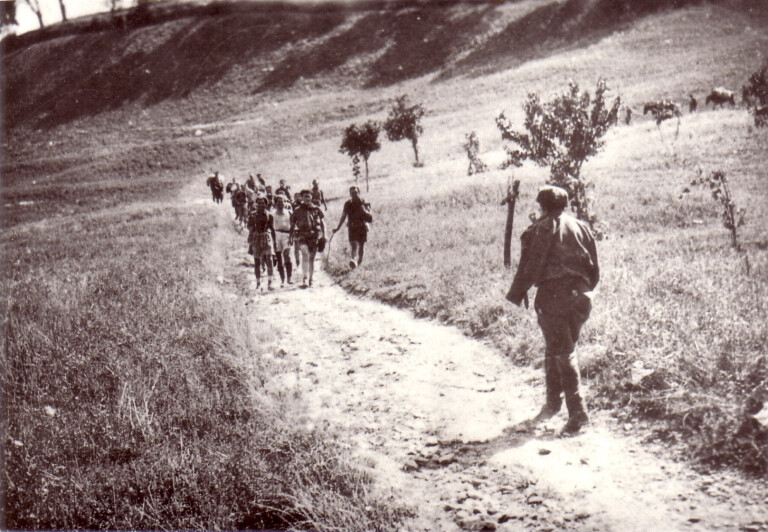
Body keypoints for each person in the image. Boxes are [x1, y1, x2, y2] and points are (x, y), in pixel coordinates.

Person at [505, 185, 599, 435]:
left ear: (543, 206)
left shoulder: (540, 229)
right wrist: (584, 291)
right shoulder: (581, 226)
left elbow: (529, 267)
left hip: (553, 299)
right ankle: (553, 402)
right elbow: (594, 268)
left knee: (563, 351)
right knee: (558, 347)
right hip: (582, 297)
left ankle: (578, 415)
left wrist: (518, 292)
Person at [289, 189, 326, 288]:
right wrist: (290, 237)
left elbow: (323, 223)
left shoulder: (317, 209)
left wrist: (325, 235)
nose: (307, 198)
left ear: (312, 197)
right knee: (305, 254)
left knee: (311, 258)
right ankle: (305, 278)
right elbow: (292, 225)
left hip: (314, 236)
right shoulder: (297, 210)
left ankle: (311, 278)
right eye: (305, 196)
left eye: (309, 196)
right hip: (302, 235)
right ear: (302, 198)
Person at [333, 186, 372, 270]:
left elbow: (369, 216)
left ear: (359, 193)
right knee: (354, 246)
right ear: (350, 194)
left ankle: (359, 261)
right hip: (352, 226)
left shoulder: (363, 202)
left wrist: (364, 210)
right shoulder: (348, 204)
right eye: (352, 193)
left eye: (356, 192)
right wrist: (337, 228)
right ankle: (353, 260)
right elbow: (343, 216)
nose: (354, 194)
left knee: (361, 246)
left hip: (362, 226)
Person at [247, 195, 276, 290]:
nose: (261, 205)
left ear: (266, 204)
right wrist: (251, 243)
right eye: (259, 203)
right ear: (256, 204)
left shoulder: (269, 215)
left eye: (263, 203)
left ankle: (270, 281)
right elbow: (250, 228)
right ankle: (258, 282)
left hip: (266, 238)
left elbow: (272, 229)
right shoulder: (252, 215)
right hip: (256, 239)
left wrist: (274, 243)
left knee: (269, 259)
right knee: (257, 261)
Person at [272, 193, 294, 286]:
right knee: (279, 258)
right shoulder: (272, 214)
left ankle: (289, 277)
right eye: (278, 202)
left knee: (287, 256)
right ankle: (282, 279)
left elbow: (293, 225)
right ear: (275, 203)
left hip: (286, 234)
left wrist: (292, 237)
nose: (281, 204)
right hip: (276, 235)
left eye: (282, 202)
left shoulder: (289, 213)